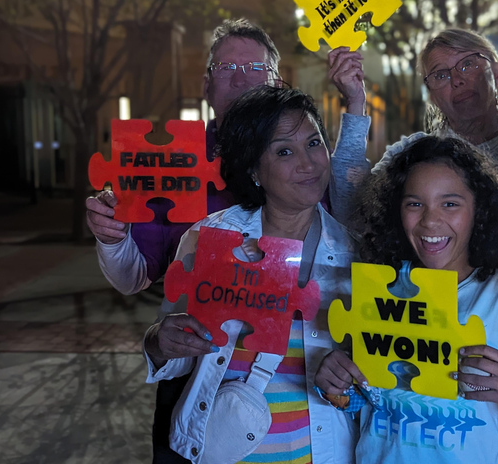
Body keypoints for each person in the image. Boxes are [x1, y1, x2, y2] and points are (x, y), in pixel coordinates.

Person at [143, 86, 359, 463]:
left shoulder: (357, 254)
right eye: (284, 151)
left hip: (321, 453)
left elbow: (369, 386)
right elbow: (173, 352)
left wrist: (345, 385)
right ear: (254, 170)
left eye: (314, 143)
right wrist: (161, 342)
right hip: (223, 450)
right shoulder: (210, 239)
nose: (308, 163)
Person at [315, 135, 498, 463]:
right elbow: (364, 406)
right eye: (414, 203)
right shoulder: (377, 286)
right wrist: (334, 385)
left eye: (450, 203)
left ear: (480, 209)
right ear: (395, 210)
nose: (431, 220)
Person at [86, 18, 280, 295]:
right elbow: (133, 279)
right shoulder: (170, 165)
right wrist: (112, 238)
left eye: (256, 68)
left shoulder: (306, 161)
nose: (240, 80)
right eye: (225, 68)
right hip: (201, 332)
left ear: (277, 83)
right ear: (206, 88)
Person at [328, 29, 498, 222]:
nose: (456, 79)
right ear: (432, 96)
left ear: (496, 72)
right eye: (441, 75)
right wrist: (355, 101)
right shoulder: (412, 156)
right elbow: (351, 215)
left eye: (468, 64)